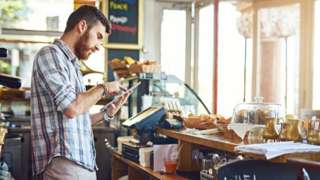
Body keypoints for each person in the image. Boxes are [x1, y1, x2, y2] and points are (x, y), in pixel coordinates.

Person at [31, 5, 128, 180]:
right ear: (82, 26)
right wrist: (103, 88)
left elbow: (75, 121)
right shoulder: (50, 54)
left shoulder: (72, 65)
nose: (99, 46)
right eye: (98, 37)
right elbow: (72, 108)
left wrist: (107, 112)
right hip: (66, 164)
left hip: (79, 164)